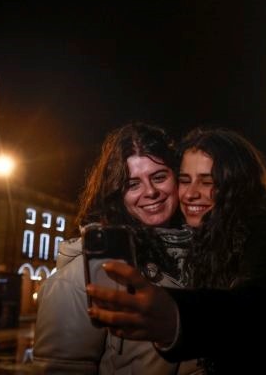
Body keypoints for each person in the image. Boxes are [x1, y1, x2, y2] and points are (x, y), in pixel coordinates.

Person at [88, 126, 266, 374]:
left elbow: (260, 304)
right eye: (185, 180)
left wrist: (177, 316)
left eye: (207, 181)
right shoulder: (209, 241)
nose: (190, 194)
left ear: (236, 185)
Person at [32, 122, 202, 375]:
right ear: (116, 194)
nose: (151, 191)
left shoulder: (208, 256)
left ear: (177, 178)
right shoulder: (82, 276)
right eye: (133, 184)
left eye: (159, 177)